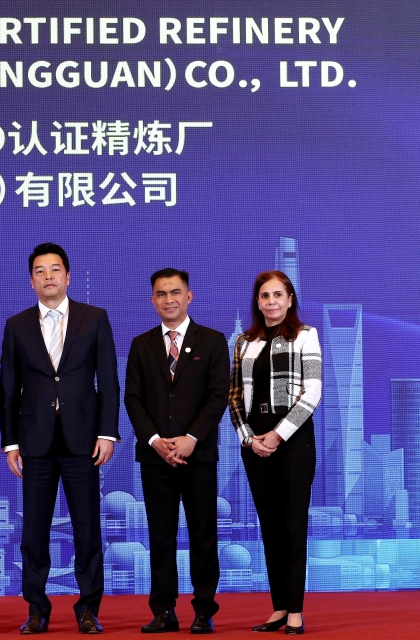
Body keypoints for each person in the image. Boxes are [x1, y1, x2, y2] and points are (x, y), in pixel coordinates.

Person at [0, 242, 120, 635]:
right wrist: (10, 442)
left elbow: (109, 380)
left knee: (87, 528)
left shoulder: (95, 318)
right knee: (33, 530)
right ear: (31, 280)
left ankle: (88, 608)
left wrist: (107, 433)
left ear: (68, 276)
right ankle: (36, 609)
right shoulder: (16, 325)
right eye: (39, 270)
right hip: (34, 442)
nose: (48, 276)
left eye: (55, 269)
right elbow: (8, 387)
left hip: (83, 440)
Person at [124, 269, 229, 634]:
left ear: (190, 296)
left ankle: (204, 609)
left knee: (203, 534)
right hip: (156, 458)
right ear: (152, 300)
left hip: (197, 456)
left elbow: (218, 397)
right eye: (160, 294)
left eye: (175, 292)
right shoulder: (141, 344)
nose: (168, 299)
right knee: (160, 535)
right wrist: (156, 440)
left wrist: (190, 438)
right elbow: (133, 400)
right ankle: (163, 611)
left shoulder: (213, 342)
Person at [229, 271, 321, 636]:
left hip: (293, 439)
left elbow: (312, 392)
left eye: (278, 295)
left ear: (290, 299)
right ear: (257, 302)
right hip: (254, 443)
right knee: (269, 527)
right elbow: (233, 395)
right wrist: (249, 437)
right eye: (264, 296)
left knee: (292, 525)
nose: (271, 302)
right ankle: (279, 607)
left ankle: (296, 611)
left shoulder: (306, 335)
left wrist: (277, 435)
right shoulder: (243, 341)